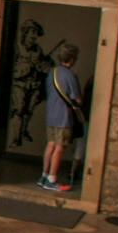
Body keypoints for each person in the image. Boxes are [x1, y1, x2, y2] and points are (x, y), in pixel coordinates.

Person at [41, 45, 85, 193]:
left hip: (51, 115)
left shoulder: (51, 72)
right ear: (72, 59)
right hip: (63, 117)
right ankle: (52, 179)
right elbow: (76, 99)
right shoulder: (70, 75)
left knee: (50, 144)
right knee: (60, 147)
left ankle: (44, 175)